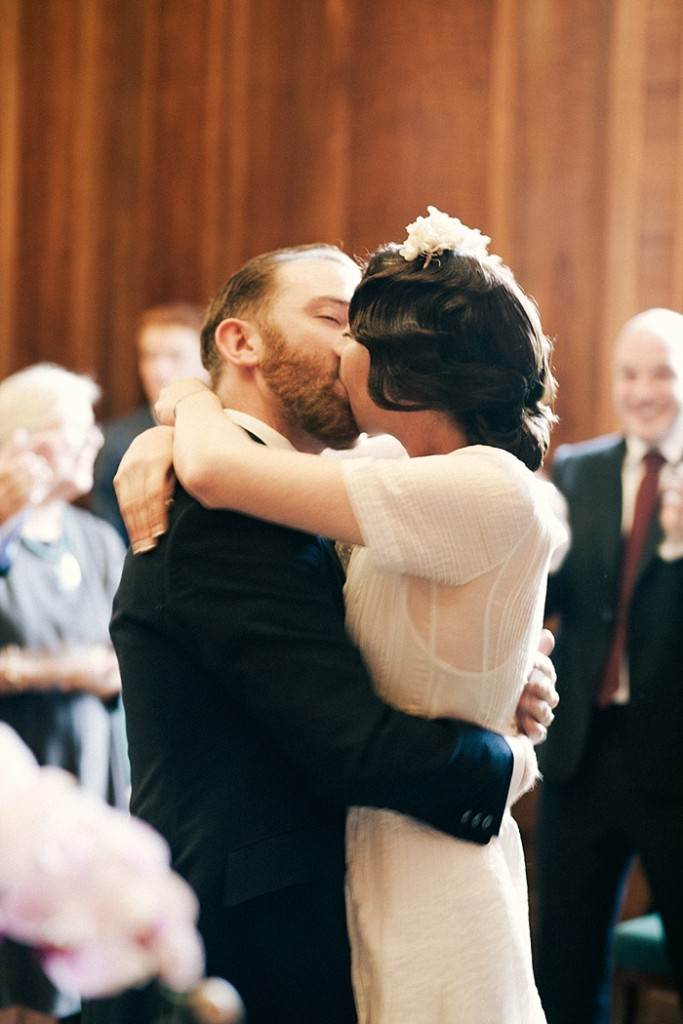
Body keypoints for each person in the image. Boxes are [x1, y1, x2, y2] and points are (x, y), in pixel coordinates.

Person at [112, 211, 564, 1023]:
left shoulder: (360, 489)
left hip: (374, 896)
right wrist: (507, 761)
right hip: (246, 936)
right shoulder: (219, 516)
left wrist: (501, 675)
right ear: (242, 343)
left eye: (366, 325)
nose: (357, 346)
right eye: (334, 318)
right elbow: (348, 741)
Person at [535, 307, 683, 1024]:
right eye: (629, 374)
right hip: (580, 757)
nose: (643, 390)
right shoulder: (578, 469)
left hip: (676, 765)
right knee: (561, 971)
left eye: (661, 373)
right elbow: (546, 596)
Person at [0, 364, 130, 1024]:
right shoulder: (2, 535)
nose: (94, 446)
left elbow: (122, 661)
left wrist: (39, 665)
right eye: (77, 433)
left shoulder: (98, 539)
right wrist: (47, 670)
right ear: (26, 440)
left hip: (91, 778)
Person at [91, 302, 206, 541]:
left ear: (207, 362)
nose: (159, 370)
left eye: (175, 356)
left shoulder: (230, 432)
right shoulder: (115, 441)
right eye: (149, 356)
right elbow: (107, 534)